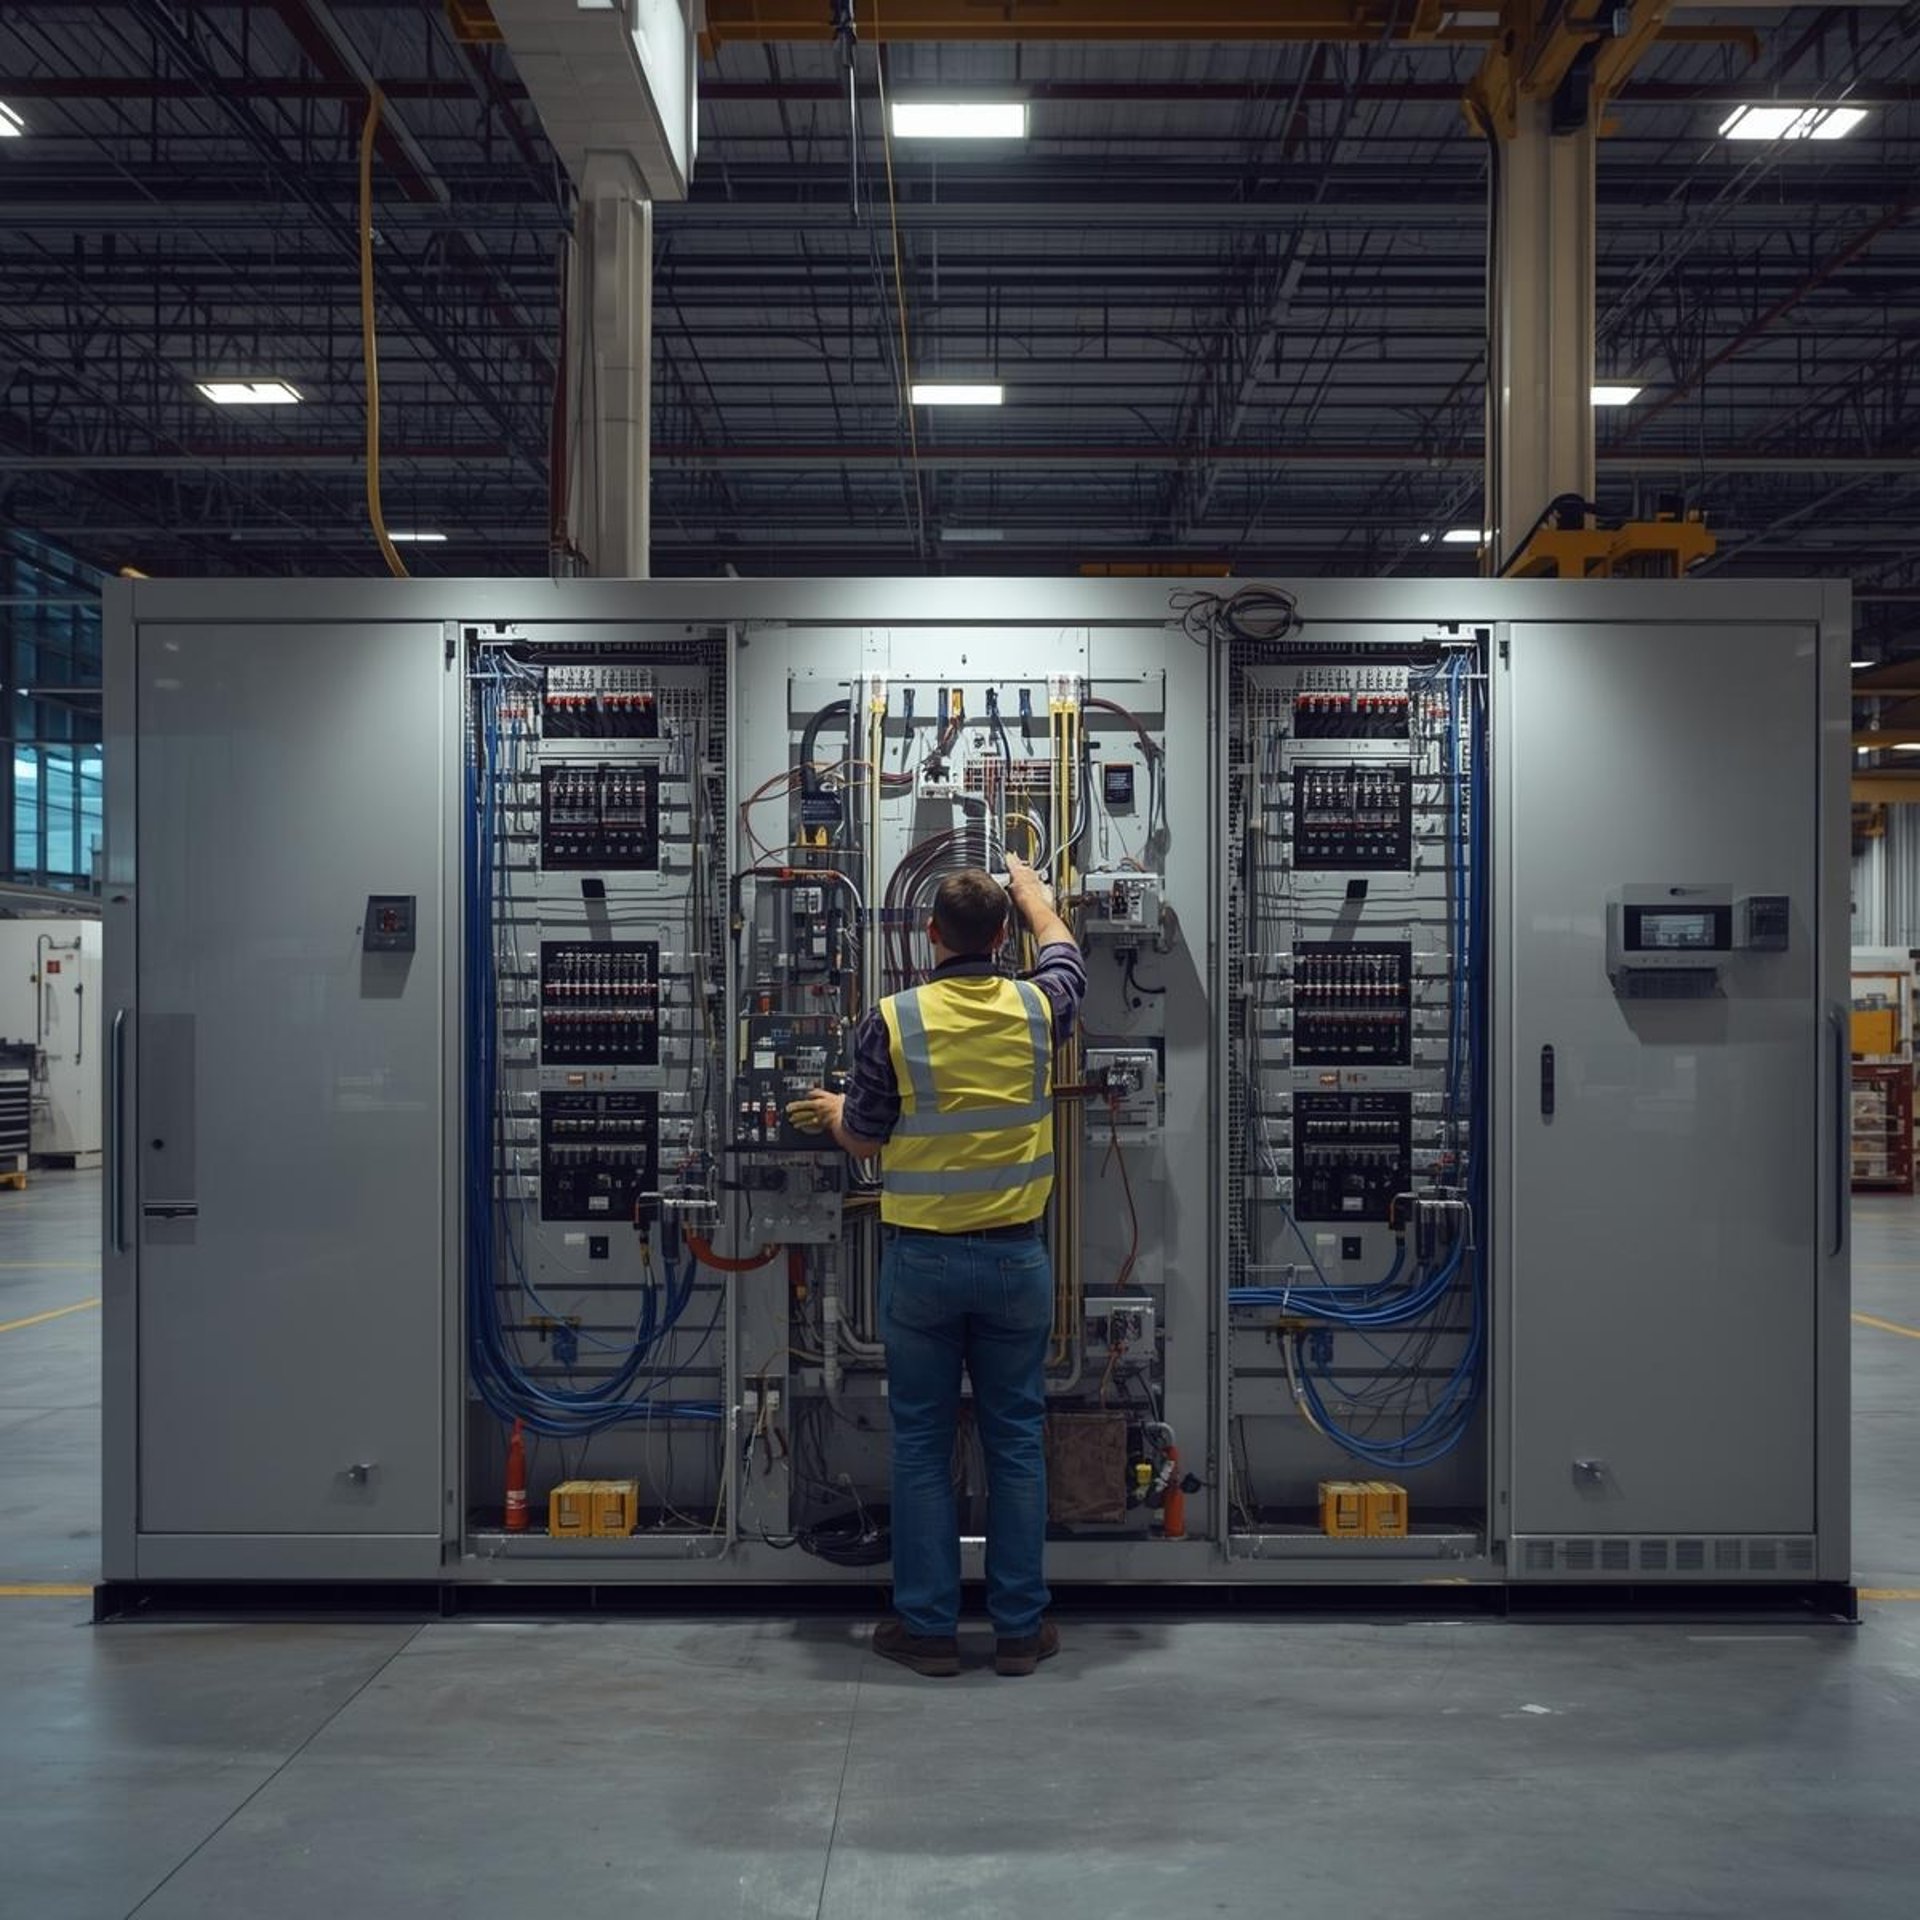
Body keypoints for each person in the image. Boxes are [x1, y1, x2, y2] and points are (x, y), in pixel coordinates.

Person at [788, 852, 1084, 1678]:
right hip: (1015, 1261)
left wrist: (833, 1110)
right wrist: (1038, 899)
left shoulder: (894, 1018)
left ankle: (928, 1630)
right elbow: (1067, 957)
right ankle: (1020, 1630)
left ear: (929, 935)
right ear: (1000, 936)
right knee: (1016, 1441)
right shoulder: (1037, 1006)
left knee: (921, 1445)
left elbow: (867, 1136)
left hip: (920, 1264)